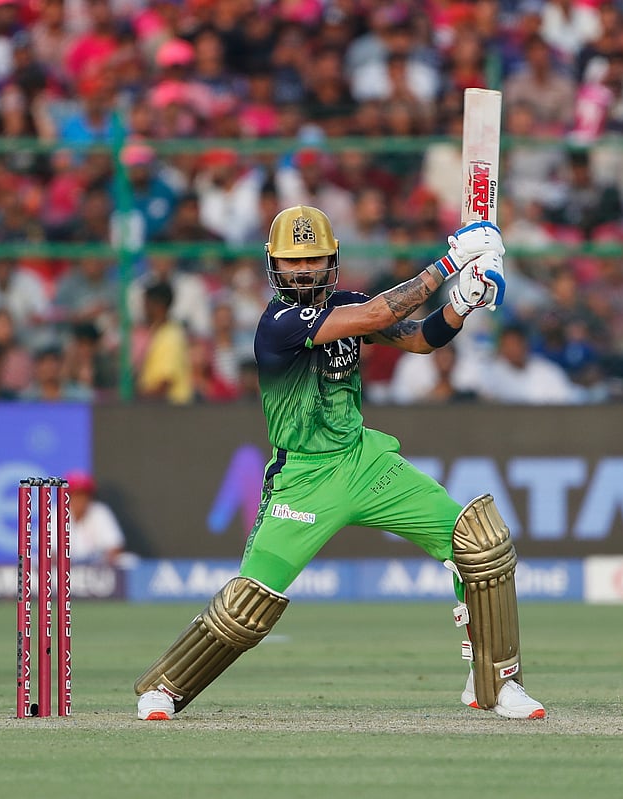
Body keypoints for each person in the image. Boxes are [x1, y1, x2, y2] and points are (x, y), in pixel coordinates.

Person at [134, 206, 546, 722]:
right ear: (273, 266)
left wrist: (462, 304)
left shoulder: (349, 304)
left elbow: (417, 338)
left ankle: (495, 682)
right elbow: (379, 316)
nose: (303, 273)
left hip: (364, 462)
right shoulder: (276, 325)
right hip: (303, 478)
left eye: (312, 261)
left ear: (332, 261)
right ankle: (167, 687)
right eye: (291, 263)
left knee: (478, 540)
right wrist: (448, 265)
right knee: (250, 601)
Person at [64, 470, 132, 567]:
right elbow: (49, 551)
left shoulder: (100, 511)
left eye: (85, 494)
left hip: (98, 567)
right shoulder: (57, 513)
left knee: (128, 560)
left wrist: (102, 562)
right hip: (65, 568)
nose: (81, 500)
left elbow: (115, 547)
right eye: (76, 494)